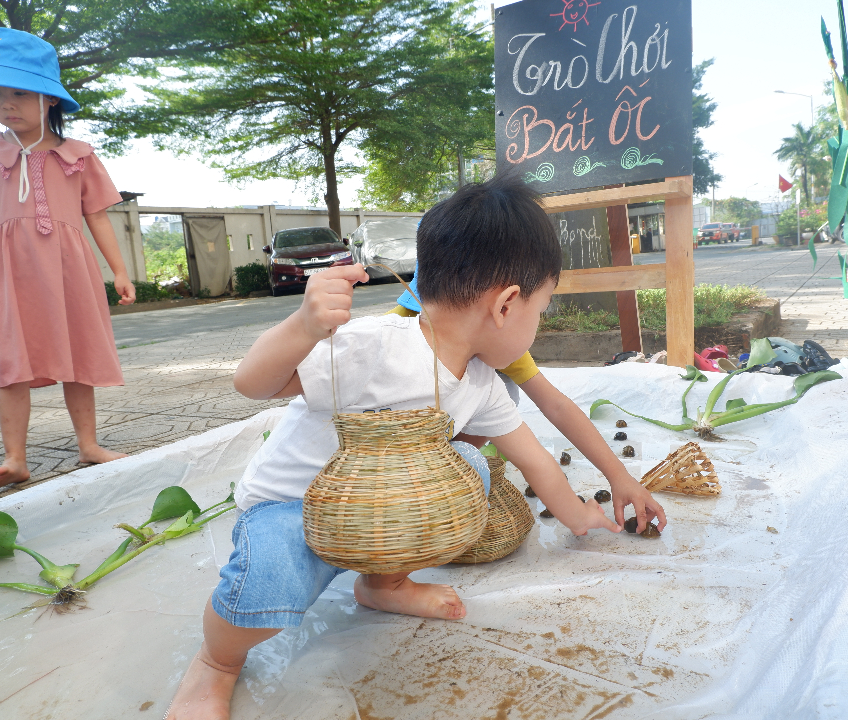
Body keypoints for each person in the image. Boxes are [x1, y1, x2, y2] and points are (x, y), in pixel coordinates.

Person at [164, 175, 667, 719]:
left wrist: (579, 515)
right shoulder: (373, 347)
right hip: (297, 511)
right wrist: (302, 326)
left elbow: (535, 460)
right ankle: (215, 664)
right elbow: (251, 383)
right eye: (541, 310)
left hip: (377, 513)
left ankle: (383, 584)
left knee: (469, 467)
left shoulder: (481, 383)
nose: (538, 326)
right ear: (506, 304)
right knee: (269, 580)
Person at [0, 28, 135, 487]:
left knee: (79, 353)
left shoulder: (78, 155)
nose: (5, 104)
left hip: (71, 270)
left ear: (49, 98)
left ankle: (89, 445)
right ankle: (15, 458)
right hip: (13, 273)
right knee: (13, 360)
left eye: (19, 93)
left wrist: (119, 270)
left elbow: (97, 216)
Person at [389, 277, 665, 534]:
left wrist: (617, 477)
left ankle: (452, 462)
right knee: (470, 465)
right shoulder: (382, 341)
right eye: (540, 311)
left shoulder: (488, 372)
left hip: (419, 464)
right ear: (504, 306)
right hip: (381, 482)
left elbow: (552, 415)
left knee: (481, 436)